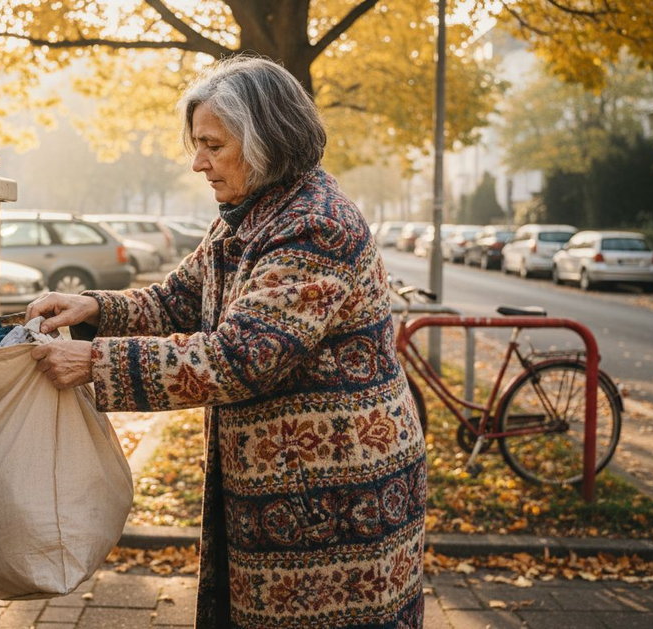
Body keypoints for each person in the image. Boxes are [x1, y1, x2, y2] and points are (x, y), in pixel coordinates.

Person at [25, 56, 426, 629]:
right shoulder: (245, 217)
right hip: (286, 487)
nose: (197, 164)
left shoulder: (316, 224)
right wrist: (95, 308)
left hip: (338, 498)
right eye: (197, 144)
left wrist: (94, 362)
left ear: (264, 141)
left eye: (212, 145)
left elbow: (243, 357)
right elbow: (177, 300)